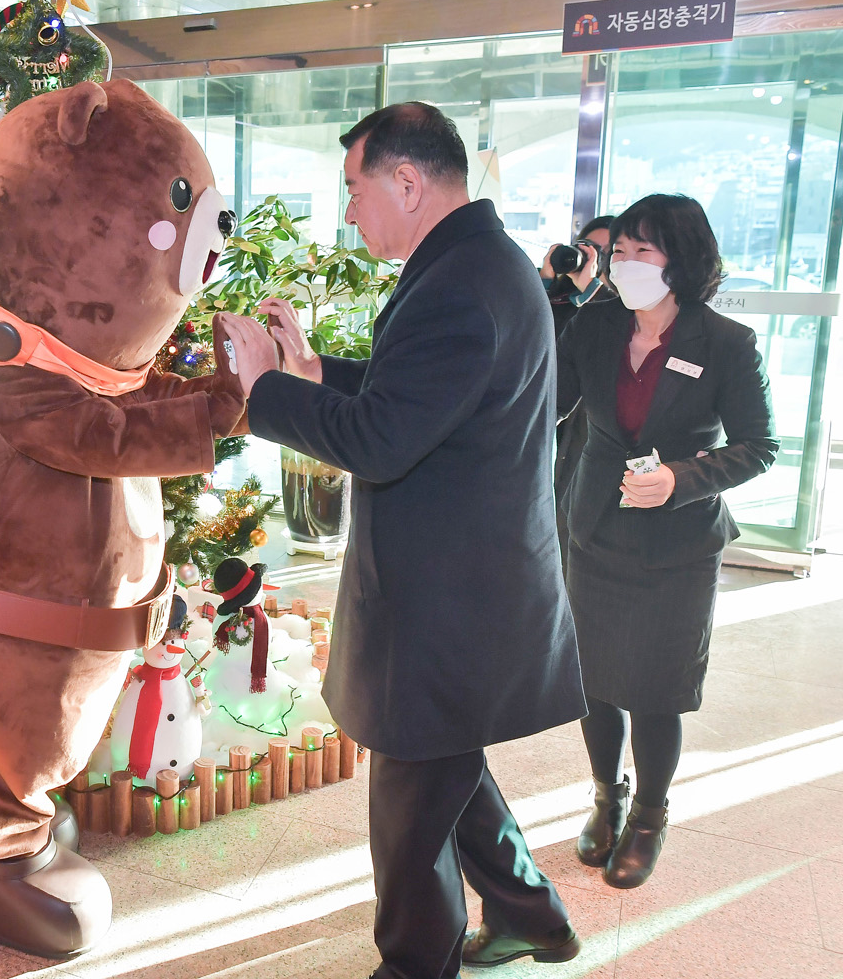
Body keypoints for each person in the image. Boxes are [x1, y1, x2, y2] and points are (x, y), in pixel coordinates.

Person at [217, 102, 586, 979]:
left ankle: (417, 965)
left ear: (408, 182)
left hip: (449, 602)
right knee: (443, 771)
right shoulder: (476, 263)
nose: (350, 211)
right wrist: (312, 374)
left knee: (409, 816)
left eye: (355, 189)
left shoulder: (459, 283)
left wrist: (264, 389)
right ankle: (532, 915)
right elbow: (419, 394)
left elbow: (382, 438)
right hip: (464, 586)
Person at [556, 194, 777, 889]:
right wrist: (557, 301)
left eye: (641, 251)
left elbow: (759, 446)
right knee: (594, 682)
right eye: (617, 251)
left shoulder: (726, 342)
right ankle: (607, 798)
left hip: (678, 544)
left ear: (680, 260)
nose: (625, 263)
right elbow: (544, 399)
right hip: (595, 527)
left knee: (656, 689)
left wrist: (683, 478)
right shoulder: (596, 326)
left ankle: (649, 818)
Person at [546, 216, 617, 570]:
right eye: (589, 248)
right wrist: (546, 281)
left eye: (607, 252)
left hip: (589, 434)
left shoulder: (623, 306)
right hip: (554, 420)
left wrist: (591, 287)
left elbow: (615, 330)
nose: (594, 258)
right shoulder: (563, 300)